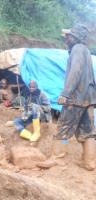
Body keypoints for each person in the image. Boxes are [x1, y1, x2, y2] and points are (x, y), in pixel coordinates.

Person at [38, 24, 96, 171]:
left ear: (75, 37)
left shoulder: (77, 50)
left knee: (63, 128)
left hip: (76, 98)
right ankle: (89, 162)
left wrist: (65, 93)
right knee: (88, 131)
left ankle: (58, 157)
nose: (66, 38)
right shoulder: (86, 51)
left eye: (69, 36)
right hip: (88, 99)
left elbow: (75, 72)